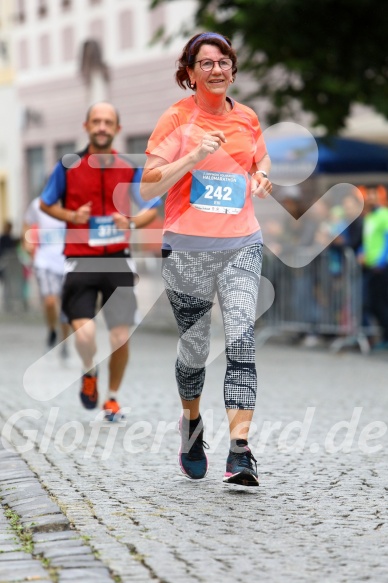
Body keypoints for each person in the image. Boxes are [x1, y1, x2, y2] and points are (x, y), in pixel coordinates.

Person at [141, 32, 272, 486]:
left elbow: (260, 160)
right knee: (195, 349)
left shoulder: (249, 118)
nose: (217, 70)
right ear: (190, 72)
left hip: (241, 244)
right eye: (207, 63)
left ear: (233, 69)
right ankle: (192, 426)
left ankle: (240, 452)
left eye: (225, 62)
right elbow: (149, 186)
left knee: (240, 339)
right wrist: (193, 156)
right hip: (187, 249)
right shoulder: (176, 119)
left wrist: (261, 178)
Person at [40, 102, 159, 419]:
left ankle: (113, 398)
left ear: (117, 129)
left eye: (108, 122)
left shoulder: (129, 167)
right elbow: (46, 203)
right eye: (97, 121)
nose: (102, 127)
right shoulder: (68, 166)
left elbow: (151, 207)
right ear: (87, 126)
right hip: (80, 260)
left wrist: (131, 223)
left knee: (120, 336)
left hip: (117, 261)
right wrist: (70, 215)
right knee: (86, 335)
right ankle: (89, 371)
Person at [23, 197, 71, 355]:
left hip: (67, 261)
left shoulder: (72, 201)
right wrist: (27, 241)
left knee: (65, 306)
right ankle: (52, 330)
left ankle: (64, 341)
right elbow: (26, 222)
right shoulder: (37, 204)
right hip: (44, 261)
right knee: (50, 302)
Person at [358, 185, 388, 349]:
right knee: (371, 302)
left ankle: (385, 336)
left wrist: (381, 261)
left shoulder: (384, 215)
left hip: (381, 267)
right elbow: (368, 240)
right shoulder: (369, 217)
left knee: (381, 302)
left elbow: (386, 240)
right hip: (370, 266)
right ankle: (382, 335)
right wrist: (361, 252)